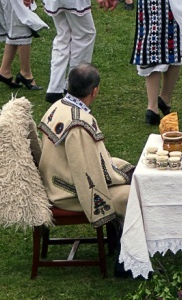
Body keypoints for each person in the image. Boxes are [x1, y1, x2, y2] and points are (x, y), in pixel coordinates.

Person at [36, 63, 133, 234]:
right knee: (132, 196)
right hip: (66, 193)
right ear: (94, 91)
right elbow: (86, 172)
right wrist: (121, 178)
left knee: (128, 169)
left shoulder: (58, 105)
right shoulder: (79, 124)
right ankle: (128, 248)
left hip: (54, 177)